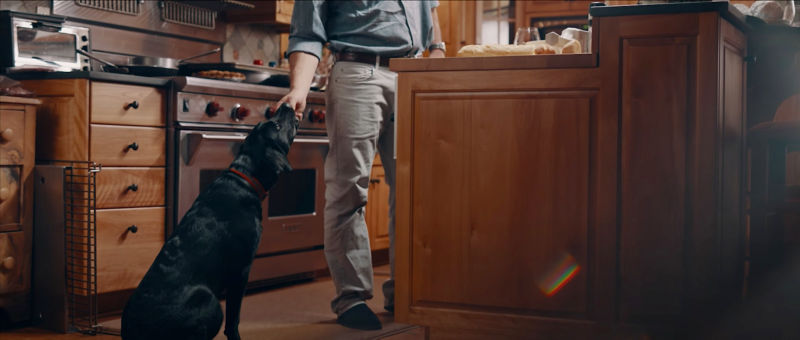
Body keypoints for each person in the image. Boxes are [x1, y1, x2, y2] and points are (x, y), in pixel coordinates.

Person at [277, 0, 445, 331]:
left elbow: (431, 16)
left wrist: (437, 57)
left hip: (412, 74)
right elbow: (307, 32)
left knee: (416, 191)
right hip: (358, 73)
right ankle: (352, 297)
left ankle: (407, 291)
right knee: (349, 188)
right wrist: (298, 88)